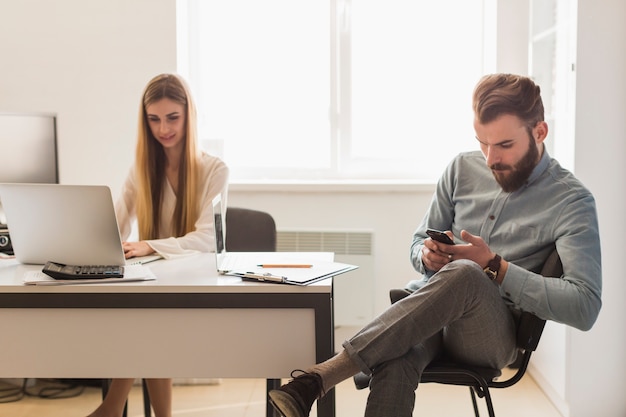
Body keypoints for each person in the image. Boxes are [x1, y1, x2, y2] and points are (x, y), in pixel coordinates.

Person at [268, 73, 602, 417]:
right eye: (482, 143)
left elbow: (585, 306)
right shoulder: (461, 167)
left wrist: (495, 268)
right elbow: (417, 245)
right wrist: (427, 256)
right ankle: (317, 381)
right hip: (427, 313)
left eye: (503, 145)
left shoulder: (571, 201)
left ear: (539, 132)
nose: (489, 159)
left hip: (490, 336)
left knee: (470, 274)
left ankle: (321, 376)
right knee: (396, 355)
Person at [87, 73, 229, 417]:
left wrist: (149, 245)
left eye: (172, 118)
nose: (163, 128)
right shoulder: (142, 169)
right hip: (156, 289)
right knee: (144, 314)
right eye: (154, 119)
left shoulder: (214, 169)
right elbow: (114, 225)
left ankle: (111, 406)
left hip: (197, 287)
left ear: (188, 115)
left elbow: (209, 239)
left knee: (145, 317)